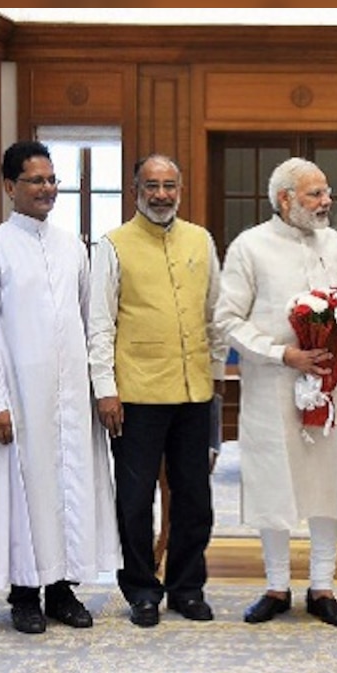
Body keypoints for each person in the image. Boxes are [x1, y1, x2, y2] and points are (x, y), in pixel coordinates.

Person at [0, 140, 120, 635]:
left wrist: (99, 386)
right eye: (36, 180)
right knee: (25, 490)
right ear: (10, 186)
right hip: (18, 396)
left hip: (71, 396)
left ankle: (62, 590)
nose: (48, 189)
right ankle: (24, 595)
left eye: (52, 180)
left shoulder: (72, 246)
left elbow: (87, 318)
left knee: (70, 487)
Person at [215, 157, 337, 627]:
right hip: (272, 384)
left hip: (331, 385)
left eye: (326, 193)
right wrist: (283, 355)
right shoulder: (250, 247)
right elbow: (227, 320)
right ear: (285, 199)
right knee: (274, 482)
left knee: (329, 481)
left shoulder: (335, 242)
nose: (327, 202)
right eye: (315, 194)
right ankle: (276, 586)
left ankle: (322, 586)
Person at [89, 154, 226, 627]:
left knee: (194, 499)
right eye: (152, 186)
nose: (162, 194)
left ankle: (188, 588)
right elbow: (99, 325)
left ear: (180, 189)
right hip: (136, 395)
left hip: (194, 393)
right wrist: (105, 389)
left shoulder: (200, 240)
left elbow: (215, 314)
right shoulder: (112, 245)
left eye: (170, 185)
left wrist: (218, 378)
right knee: (134, 498)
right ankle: (142, 590)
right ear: (136, 191)